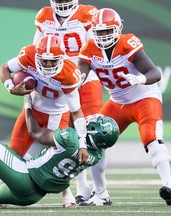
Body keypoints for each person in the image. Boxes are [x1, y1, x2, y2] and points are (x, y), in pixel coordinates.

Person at [77, 8, 171, 206]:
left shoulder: (127, 43)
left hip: (144, 97)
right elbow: (80, 75)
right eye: (99, 32)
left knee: (151, 139)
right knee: (93, 140)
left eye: (107, 31)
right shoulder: (89, 49)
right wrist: (74, 81)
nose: (103, 36)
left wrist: (139, 78)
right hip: (117, 102)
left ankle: (169, 185)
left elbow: (155, 72)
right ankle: (100, 193)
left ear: (118, 28)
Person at [0, 34, 89, 207]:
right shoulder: (29, 55)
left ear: (61, 58)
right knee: (13, 153)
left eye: (52, 61)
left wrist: (82, 143)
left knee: (57, 157)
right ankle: (3, 190)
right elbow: (3, 69)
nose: (48, 64)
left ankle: (66, 192)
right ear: (37, 56)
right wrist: (10, 88)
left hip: (57, 114)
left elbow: (76, 112)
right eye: (44, 60)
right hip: (33, 109)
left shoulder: (69, 75)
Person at [33, 0, 103, 205]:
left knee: (92, 133)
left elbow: (93, 51)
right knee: (71, 137)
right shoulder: (44, 16)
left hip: (86, 78)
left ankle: (101, 190)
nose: (62, 3)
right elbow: (35, 50)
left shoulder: (87, 14)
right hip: (59, 79)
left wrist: (79, 76)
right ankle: (83, 187)